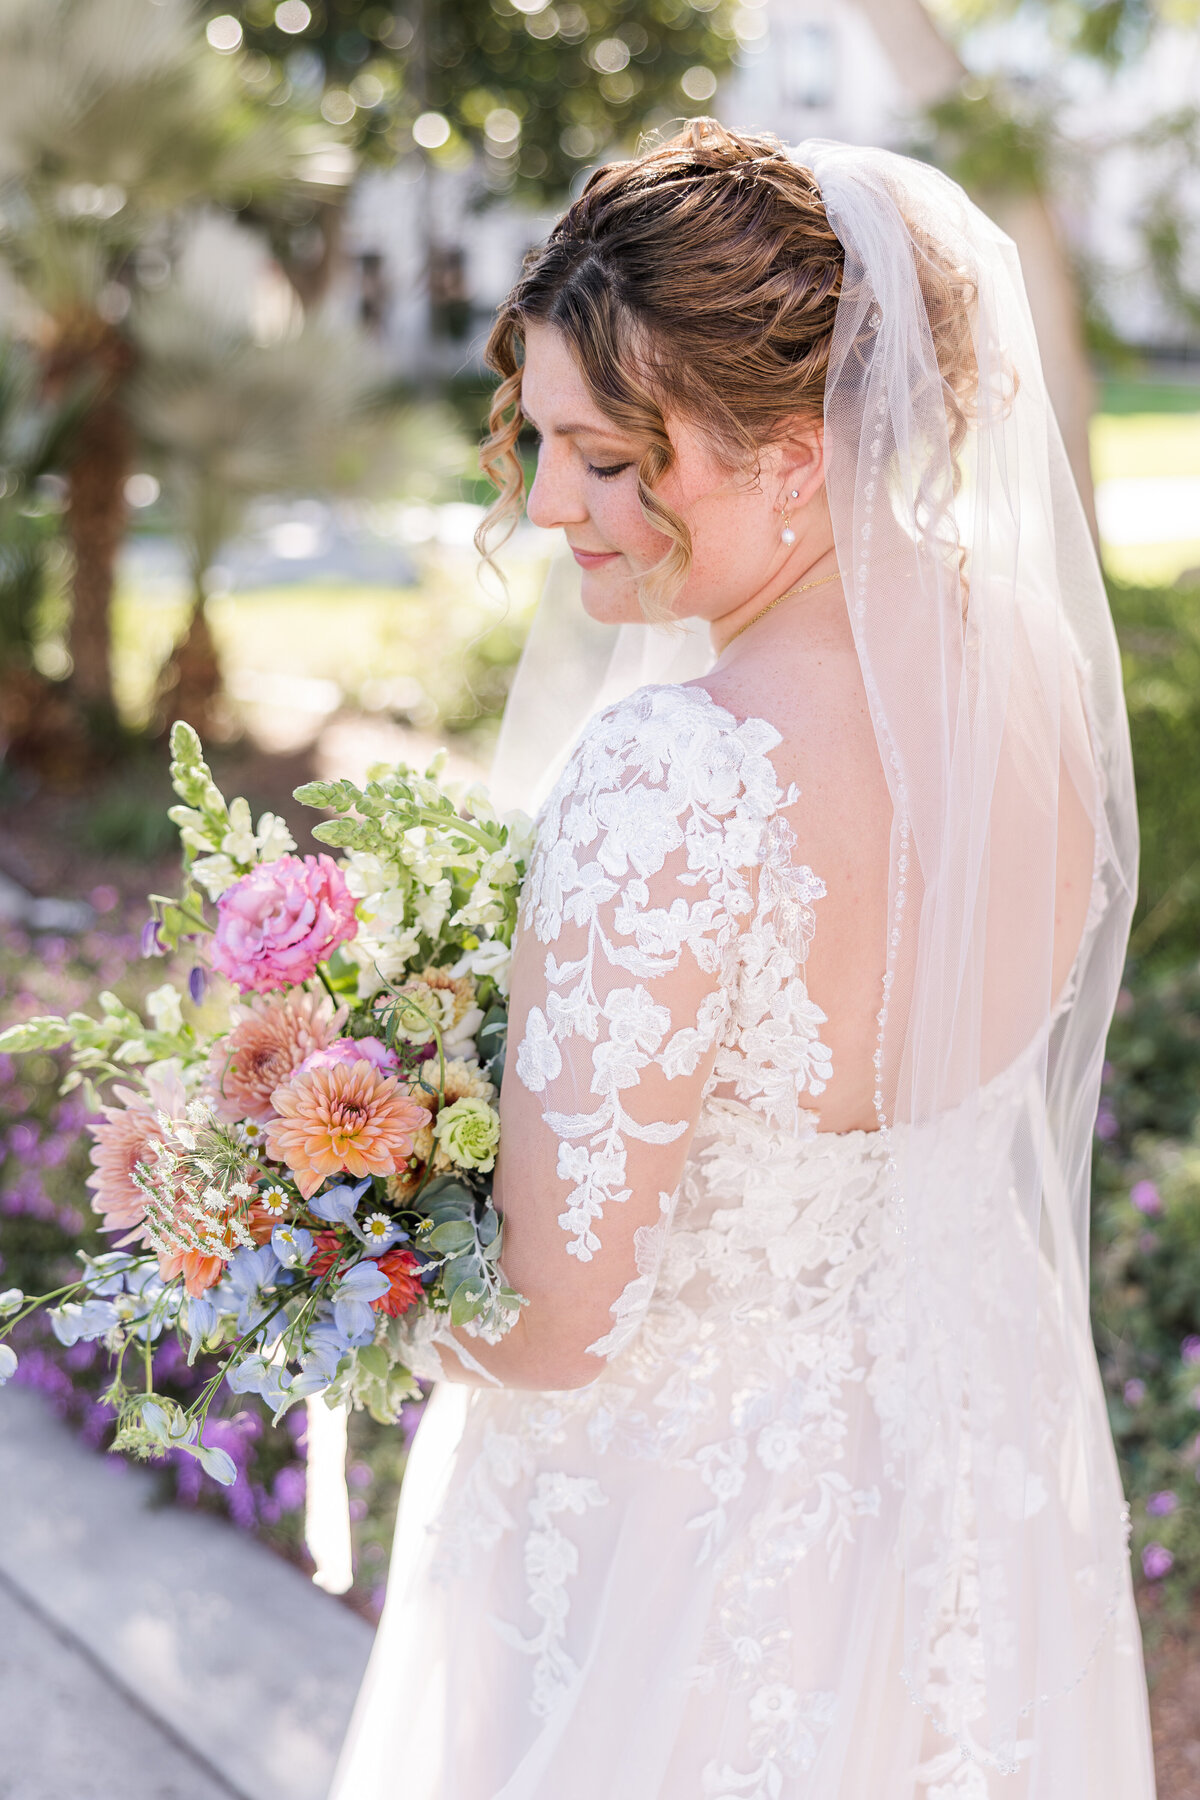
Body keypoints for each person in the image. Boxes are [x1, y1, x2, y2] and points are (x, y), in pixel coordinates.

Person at [330, 122, 1156, 1799]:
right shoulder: (1025, 679)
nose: (555, 502)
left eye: (619, 459)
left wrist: (316, 1262)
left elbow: (557, 1320)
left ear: (796, 443)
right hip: (957, 1501)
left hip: (677, 1550)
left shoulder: (677, 777)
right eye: (546, 441)